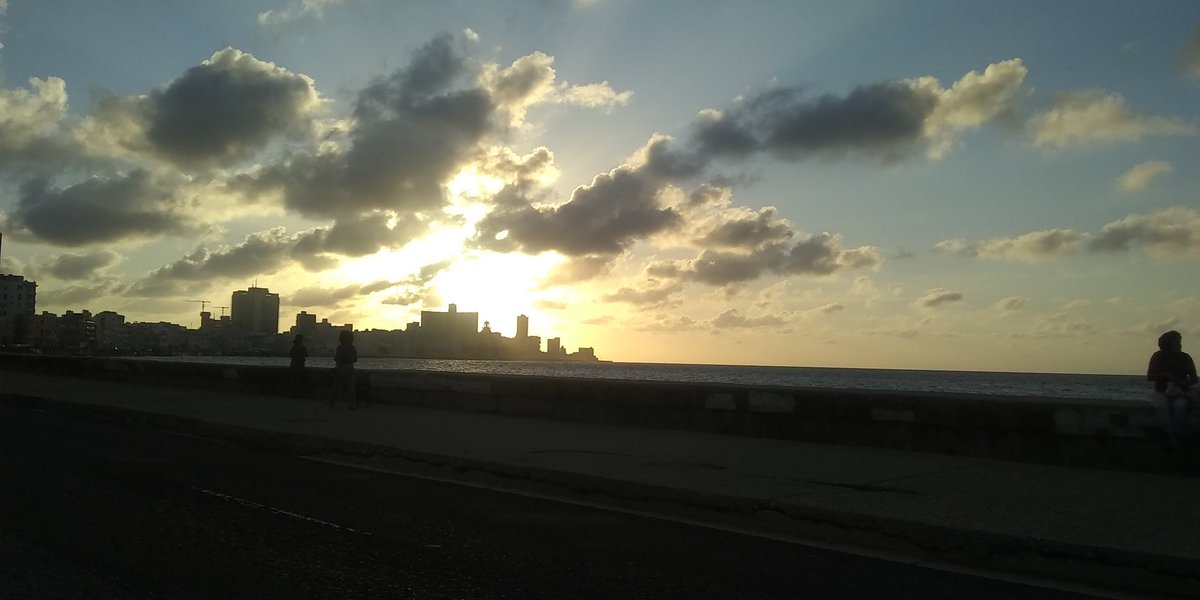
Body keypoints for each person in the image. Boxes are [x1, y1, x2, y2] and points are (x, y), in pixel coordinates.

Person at [1146, 330, 1198, 448]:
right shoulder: (1157, 356)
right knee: (1163, 406)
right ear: (1167, 345)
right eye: (1176, 343)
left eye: (1180, 342)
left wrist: (1183, 383)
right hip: (1161, 391)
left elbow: (1194, 378)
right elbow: (1150, 376)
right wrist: (1166, 375)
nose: (1180, 345)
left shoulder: (1185, 357)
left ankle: (1177, 436)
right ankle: (1171, 437)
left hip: (1180, 392)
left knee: (1180, 406)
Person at [332, 330, 358, 409]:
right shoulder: (352, 348)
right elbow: (355, 359)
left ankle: (336, 402)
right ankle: (352, 403)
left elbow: (337, 358)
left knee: (338, 385)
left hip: (342, 367)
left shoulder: (340, 348)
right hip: (350, 367)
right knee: (351, 386)